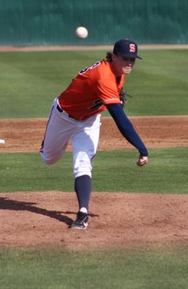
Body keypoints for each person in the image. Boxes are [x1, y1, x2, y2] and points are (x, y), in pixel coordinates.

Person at [40, 39, 148, 229]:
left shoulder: (118, 73)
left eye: (132, 59)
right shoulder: (104, 76)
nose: (129, 63)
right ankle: (48, 141)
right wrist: (141, 147)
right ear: (113, 57)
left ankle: (82, 214)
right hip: (64, 116)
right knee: (49, 158)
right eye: (125, 59)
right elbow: (120, 120)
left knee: (83, 163)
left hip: (89, 120)